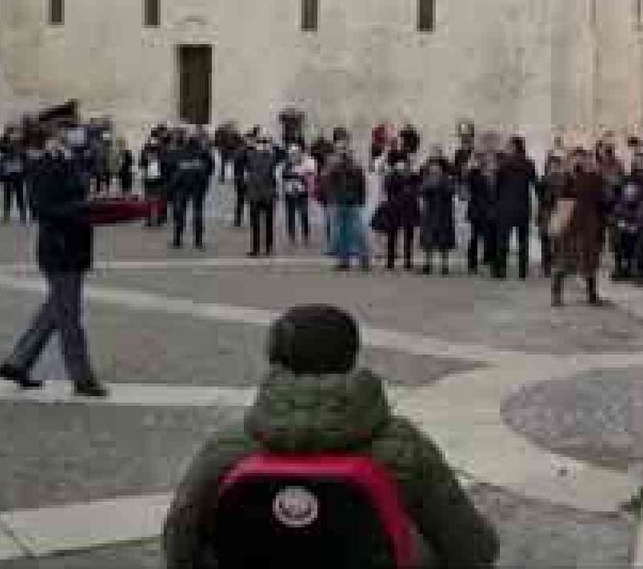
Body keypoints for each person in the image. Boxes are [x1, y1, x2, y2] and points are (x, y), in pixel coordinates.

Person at [161, 304, 499, 568]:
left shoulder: (227, 447)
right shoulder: (405, 446)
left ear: (275, 359)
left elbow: (179, 542)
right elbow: (473, 550)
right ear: (351, 358)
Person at [0, 127, 109, 398]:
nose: (74, 135)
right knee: (69, 316)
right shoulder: (42, 166)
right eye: (66, 131)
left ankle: (17, 363)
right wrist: (84, 208)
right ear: (52, 138)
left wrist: (93, 204)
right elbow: (42, 208)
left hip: (75, 247)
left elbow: (78, 194)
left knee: (54, 311)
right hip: (58, 249)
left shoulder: (73, 161)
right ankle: (82, 377)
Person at [553, 148, 608, 307]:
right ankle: (556, 294)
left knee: (590, 261)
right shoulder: (566, 178)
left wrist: (601, 225)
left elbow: (602, 201)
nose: (581, 162)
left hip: (589, 224)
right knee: (565, 259)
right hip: (571, 224)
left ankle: (592, 294)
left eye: (583, 159)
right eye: (577, 159)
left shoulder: (595, 178)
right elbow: (559, 199)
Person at [495, 136, 539, 280]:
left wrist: (496, 203)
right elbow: (536, 184)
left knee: (503, 241)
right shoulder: (529, 164)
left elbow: (497, 186)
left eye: (509, 146)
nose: (507, 148)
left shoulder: (504, 164)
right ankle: (522, 272)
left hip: (505, 207)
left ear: (514, 147)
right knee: (523, 241)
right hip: (523, 207)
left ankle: (501, 271)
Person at [324, 147, 371, 271]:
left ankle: (359, 259)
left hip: (348, 203)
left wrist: (361, 200)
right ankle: (348, 260)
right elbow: (329, 184)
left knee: (353, 232)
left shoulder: (351, 168)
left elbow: (361, 185)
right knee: (345, 233)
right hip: (344, 202)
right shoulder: (340, 168)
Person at [169, 135, 215, 250]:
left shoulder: (179, 153)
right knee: (198, 213)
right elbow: (210, 169)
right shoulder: (204, 154)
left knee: (180, 213)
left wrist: (173, 185)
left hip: (182, 187)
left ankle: (177, 240)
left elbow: (172, 169)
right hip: (198, 187)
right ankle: (198, 241)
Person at [464, 152, 503, 277]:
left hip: (493, 212)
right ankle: (472, 265)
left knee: (492, 240)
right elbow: (466, 180)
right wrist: (471, 164)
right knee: (475, 238)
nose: (491, 162)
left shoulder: (500, 176)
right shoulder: (475, 174)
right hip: (477, 212)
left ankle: (493, 265)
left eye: (493, 160)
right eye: (488, 160)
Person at [417, 154, 457, 274]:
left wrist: (441, 185)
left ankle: (445, 266)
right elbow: (421, 191)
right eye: (432, 166)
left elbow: (451, 191)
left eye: (436, 166)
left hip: (443, 214)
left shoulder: (446, 179)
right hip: (429, 214)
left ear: (441, 168)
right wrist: (430, 185)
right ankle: (427, 264)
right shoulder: (427, 179)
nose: (434, 168)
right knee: (428, 241)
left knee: (444, 242)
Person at [379, 159, 422, 271]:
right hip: (394, 209)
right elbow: (387, 188)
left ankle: (408, 261)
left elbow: (418, 189)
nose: (402, 166)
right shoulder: (391, 176)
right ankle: (390, 261)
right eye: (399, 164)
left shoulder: (413, 176)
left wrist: (412, 175)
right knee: (392, 236)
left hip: (409, 209)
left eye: (404, 164)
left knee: (408, 237)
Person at [243, 136, 278, 257]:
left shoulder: (270, 157)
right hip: (257, 193)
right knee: (257, 223)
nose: (262, 146)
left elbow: (281, 154)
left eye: (264, 143)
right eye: (260, 143)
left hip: (265, 194)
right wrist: (249, 145)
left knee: (267, 222)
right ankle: (257, 247)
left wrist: (272, 144)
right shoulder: (251, 155)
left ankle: (266, 246)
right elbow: (239, 157)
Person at [535, 154, 569, 278]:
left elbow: (566, 195)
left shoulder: (564, 179)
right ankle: (547, 266)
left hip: (558, 212)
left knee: (557, 242)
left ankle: (555, 265)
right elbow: (539, 195)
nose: (553, 168)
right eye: (551, 165)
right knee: (546, 241)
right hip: (546, 212)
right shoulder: (544, 179)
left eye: (555, 165)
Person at [282, 145, 316, 245]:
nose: (294, 156)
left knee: (304, 214)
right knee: (290, 215)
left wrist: (300, 175)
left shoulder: (306, 162)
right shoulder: (287, 164)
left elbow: (309, 174)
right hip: (290, 192)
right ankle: (292, 235)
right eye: (292, 154)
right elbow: (285, 175)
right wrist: (297, 174)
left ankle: (305, 235)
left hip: (302, 192)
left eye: (296, 153)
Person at [0, 127, 28, 224]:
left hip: (17, 172)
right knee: (7, 195)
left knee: (20, 195)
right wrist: (5, 137)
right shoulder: (4, 143)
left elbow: (23, 155)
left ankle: (22, 216)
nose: (13, 135)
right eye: (11, 133)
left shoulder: (20, 144)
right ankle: (6, 216)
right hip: (7, 172)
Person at [141, 138, 168, 227]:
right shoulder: (146, 156)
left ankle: (156, 218)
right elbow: (142, 165)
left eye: (154, 148)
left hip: (156, 180)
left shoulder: (161, 157)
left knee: (155, 200)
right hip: (151, 180)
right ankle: (151, 218)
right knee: (152, 200)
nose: (152, 150)